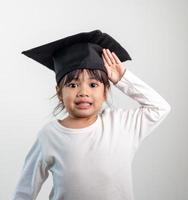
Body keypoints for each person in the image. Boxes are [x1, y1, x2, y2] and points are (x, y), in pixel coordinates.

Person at [10, 30, 171, 200]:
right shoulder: (49, 136)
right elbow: (24, 191)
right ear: (59, 93)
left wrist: (123, 79)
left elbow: (160, 108)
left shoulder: (121, 125)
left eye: (93, 84)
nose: (83, 92)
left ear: (105, 91)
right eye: (72, 85)